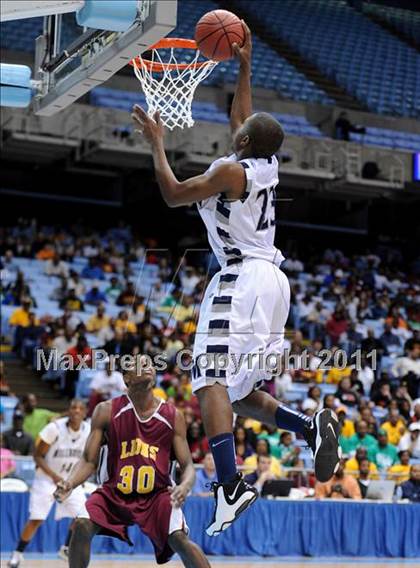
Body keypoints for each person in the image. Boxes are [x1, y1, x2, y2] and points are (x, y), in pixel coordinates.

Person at [132, 20, 340, 536]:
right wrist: (245, 65)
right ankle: (310, 429)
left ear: (243, 141)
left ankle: (230, 485)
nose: (235, 126)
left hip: (241, 279)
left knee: (208, 378)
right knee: (240, 394)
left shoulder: (231, 170)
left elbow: (175, 194)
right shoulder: (266, 163)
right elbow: (246, 119)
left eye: (239, 130)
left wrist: (157, 143)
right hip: (273, 282)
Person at [53, 362, 210, 568]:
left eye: (149, 364)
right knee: (81, 525)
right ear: (126, 378)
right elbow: (89, 460)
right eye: (139, 364)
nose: (147, 366)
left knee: (179, 539)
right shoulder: (106, 411)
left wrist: (184, 486)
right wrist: (69, 483)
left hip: (157, 495)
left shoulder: (172, 415)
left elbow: (188, 465)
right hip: (114, 493)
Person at [8, 400, 90, 568]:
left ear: (85, 413)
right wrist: (54, 477)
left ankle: (66, 548)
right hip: (47, 478)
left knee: (83, 517)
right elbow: (37, 456)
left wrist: (78, 479)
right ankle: (17, 554)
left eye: (80, 408)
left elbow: (88, 459)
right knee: (36, 519)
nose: (76, 410)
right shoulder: (55, 428)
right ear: (68, 410)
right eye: (73, 407)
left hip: (70, 481)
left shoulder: (88, 430)